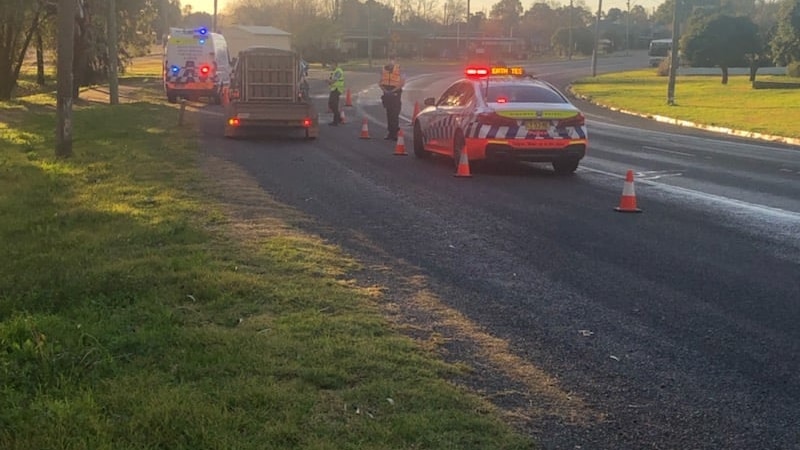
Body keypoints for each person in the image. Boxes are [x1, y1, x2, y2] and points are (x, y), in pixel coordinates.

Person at [379, 54, 405, 140]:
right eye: (390, 59)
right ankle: (390, 132)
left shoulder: (399, 68)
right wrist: (385, 91)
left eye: (393, 59)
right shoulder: (383, 69)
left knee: (394, 113)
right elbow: (380, 82)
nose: (391, 61)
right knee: (389, 113)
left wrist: (393, 91)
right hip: (387, 92)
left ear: (396, 60)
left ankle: (395, 132)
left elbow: (402, 82)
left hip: (395, 92)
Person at [327, 60, 345, 126]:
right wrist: (329, 81)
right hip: (334, 89)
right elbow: (331, 80)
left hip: (337, 89)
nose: (331, 66)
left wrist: (329, 81)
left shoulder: (338, 71)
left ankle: (336, 121)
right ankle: (338, 119)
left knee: (333, 105)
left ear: (335, 65)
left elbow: (334, 80)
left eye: (332, 65)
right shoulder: (335, 71)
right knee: (332, 104)